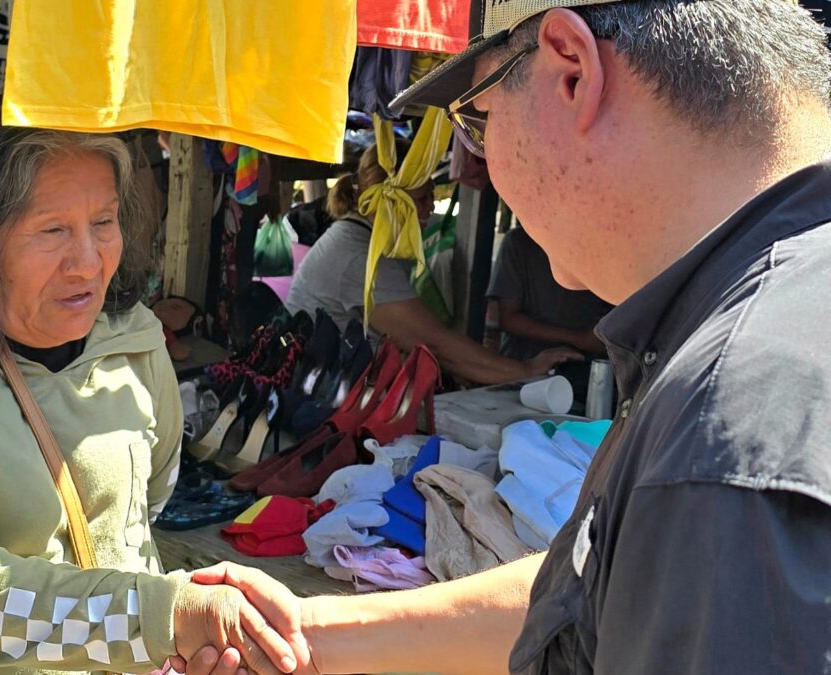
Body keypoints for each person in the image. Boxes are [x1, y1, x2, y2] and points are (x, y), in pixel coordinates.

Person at [178, 1, 831, 673]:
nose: (481, 156)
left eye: (478, 118)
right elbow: (600, 582)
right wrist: (307, 636)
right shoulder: (775, 320)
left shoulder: (724, 428)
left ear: (571, 71)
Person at [0, 98, 298, 675]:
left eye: (104, 222)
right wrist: (161, 617)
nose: (88, 262)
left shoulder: (133, 340)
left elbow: (144, 506)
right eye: (52, 230)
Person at [284, 141, 579, 385]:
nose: (429, 208)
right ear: (390, 199)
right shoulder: (359, 255)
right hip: (317, 404)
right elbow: (433, 343)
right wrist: (526, 371)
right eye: (423, 198)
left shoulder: (362, 240)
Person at [487, 226, 612, 359]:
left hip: (590, 364)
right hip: (525, 363)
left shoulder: (603, 246)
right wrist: (577, 338)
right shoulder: (519, 242)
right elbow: (507, 318)